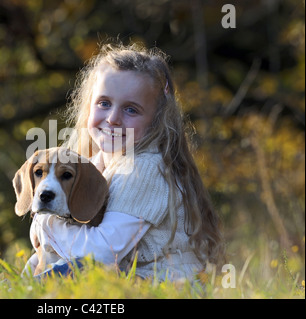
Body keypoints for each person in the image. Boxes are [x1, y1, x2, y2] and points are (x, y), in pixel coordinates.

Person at [26, 43, 225, 282]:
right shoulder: (92, 167)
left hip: (168, 288)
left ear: (156, 121)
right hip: (132, 281)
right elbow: (57, 252)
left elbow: (101, 255)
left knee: (76, 272)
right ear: (88, 105)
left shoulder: (144, 169)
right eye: (104, 103)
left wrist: (46, 222)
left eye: (131, 109)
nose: (112, 119)